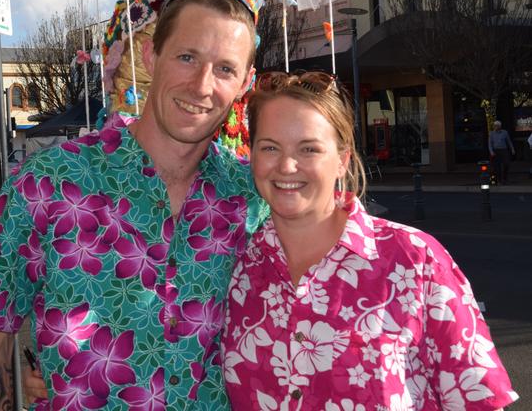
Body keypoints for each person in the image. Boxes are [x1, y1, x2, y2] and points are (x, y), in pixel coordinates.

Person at [0, 0, 267, 410]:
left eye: (225, 69)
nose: (202, 85)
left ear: (245, 82)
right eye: (187, 57)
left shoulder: (252, 199)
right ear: (150, 56)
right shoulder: (51, 182)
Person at [221, 72, 518, 410]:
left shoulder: (414, 260)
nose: (287, 166)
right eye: (270, 147)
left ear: (342, 160)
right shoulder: (237, 266)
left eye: (309, 149)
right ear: (253, 156)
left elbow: (478, 399)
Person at [488, 120, 515, 184]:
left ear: (500, 126)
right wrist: (491, 152)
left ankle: (505, 178)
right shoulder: (491, 133)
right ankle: (500, 180)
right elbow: (490, 144)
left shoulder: (505, 132)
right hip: (495, 150)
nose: (496, 127)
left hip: (504, 150)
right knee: (497, 167)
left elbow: (509, 141)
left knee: (507, 164)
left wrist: (512, 149)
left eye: (497, 126)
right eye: (495, 126)